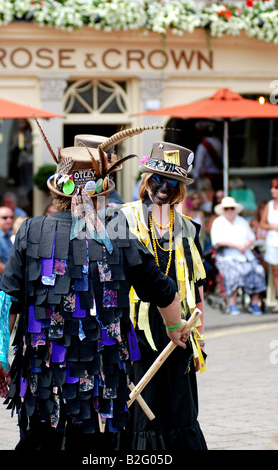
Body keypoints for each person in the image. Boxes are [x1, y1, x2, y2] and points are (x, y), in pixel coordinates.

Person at [0, 130, 189, 452]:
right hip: (101, 383)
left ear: (58, 190)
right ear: (102, 192)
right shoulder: (119, 233)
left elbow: (7, 300)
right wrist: (175, 327)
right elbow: (164, 291)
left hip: (43, 382)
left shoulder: (29, 230)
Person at [119, 141, 207, 450]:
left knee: (179, 407)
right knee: (144, 410)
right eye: (158, 179)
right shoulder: (122, 220)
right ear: (145, 180)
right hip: (136, 329)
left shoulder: (189, 228)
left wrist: (199, 342)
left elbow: (197, 287)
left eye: (173, 182)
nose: (164, 188)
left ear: (181, 188)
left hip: (179, 328)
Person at [210, 196, 266, 315]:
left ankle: (254, 303)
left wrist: (245, 245)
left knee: (258, 270)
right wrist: (236, 246)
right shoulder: (218, 222)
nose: (230, 211)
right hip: (227, 256)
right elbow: (217, 241)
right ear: (223, 210)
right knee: (234, 273)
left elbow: (251, 238)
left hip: (245, 255)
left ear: (235, 209)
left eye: (232, 208)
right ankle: (232, 303)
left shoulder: (242, 221)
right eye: (227, 208)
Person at [259, 178, 278, 312]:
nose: (273, 190)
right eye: (272, 187)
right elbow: (262, 224)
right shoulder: (269, 205)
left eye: (276, 187)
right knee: (276, 272)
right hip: (273, 242)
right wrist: (273, 226)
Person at [192, 120, 223, 191]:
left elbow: (199, 163)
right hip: (218, 176)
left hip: (207, 178)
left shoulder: (203, 145)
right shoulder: (219, 143)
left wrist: (195, 178)